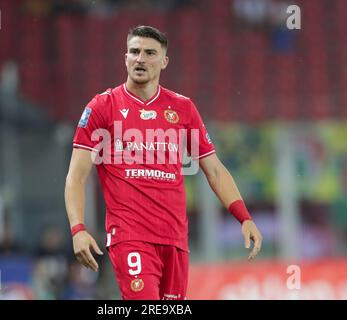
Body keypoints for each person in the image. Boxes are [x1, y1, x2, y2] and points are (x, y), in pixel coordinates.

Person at [64, 25, 263, 300]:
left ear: (164, 61)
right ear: (125, 58)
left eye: (149, 53)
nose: (140, 59)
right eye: (134, 52)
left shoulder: (182, 108)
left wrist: (244, 217)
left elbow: (214, 170)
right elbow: (76, 176)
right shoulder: (102, 107)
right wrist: (78, 229)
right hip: (129, 236)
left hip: (175, 239)